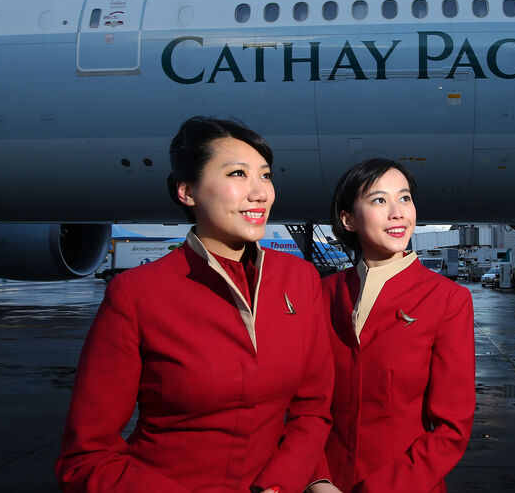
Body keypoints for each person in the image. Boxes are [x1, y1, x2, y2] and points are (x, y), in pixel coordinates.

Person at [56, 116, 333, 492]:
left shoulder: (299, 281)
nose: (260, 193)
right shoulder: (136, 294)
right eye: (238, 174)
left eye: (266, 176)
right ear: (187, 191)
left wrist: (282, 483)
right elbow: (86, 456)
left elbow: (313, 411)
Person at [309, 159, 475, 493]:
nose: (397, 213)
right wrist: (317, 478)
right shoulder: (322, 294)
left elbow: (452, 428)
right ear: (348, 219)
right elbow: (303, 405)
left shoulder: (447, 299)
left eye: (405, 198)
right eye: (379, 200)